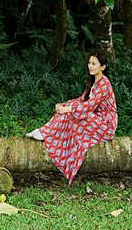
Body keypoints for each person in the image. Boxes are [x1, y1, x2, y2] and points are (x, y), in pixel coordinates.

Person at [25, 53, 117, 184]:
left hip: (106, 124)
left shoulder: (104, 83)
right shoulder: (95, 81)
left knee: (74, 114)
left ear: (103, 67)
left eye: (94, 64)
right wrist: (65, 105)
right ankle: (45, 131)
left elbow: (89, 106)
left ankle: (45, 133)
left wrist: (67, 110)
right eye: (89, 63)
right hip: (96, 118)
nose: (90, 66)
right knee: (72, 107)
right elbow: (82, 100)